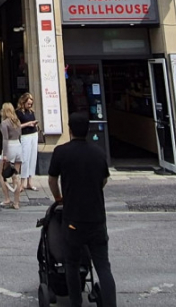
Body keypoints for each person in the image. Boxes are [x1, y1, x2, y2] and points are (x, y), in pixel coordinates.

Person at [47, 111, 116, 307]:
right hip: (96, 217)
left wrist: (59, 198)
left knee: (72, 263)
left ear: (70, 129)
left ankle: (76, 302)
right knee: (103, 265)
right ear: (88, 130)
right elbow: (104, 179)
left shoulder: (61, 152)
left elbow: (52, 179)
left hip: (73, 218)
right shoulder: (99, 153)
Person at [0, 102, 23, 209]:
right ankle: (16, 202)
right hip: (18, 146)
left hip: (10, 147)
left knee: (2, 173)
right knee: (16, 176)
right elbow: (20, 135)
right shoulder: (17, 122)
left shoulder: (5, 123)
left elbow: (5, 139)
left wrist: (5, 155)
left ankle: (7, 198)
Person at [16, 92, 40, 192]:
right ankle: (22, 183)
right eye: (28, 103)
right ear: (23, 102)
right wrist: (28, 124)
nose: (30, 105)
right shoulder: (18, 112)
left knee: (33, 158)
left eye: (31, 104)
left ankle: (30, 182)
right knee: (25, 159)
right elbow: (17, 126)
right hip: (25, 136)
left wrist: (35, 124)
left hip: (34, 134)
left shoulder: (31, 112)